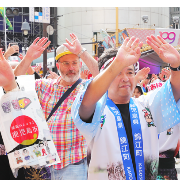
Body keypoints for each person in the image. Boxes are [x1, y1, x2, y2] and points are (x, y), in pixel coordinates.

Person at [71, 35, 180, 180]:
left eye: (129, 72)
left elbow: (175, 92)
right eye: (118, 72)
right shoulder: (97, 110)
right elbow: (85, 103)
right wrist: (117, 63)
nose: (125, 78)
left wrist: (176, 65)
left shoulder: (146, 106)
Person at [12, 33, 99, 180]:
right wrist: (28, 58)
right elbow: (14, 85)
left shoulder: (86, 88)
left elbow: (103, 76)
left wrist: (82, 53)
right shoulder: (44, 86)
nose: (71, 68)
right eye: (66, 63)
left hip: (74, 165)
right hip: (43, 165)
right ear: (58, 65)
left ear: (80, 64)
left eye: (75, 62)